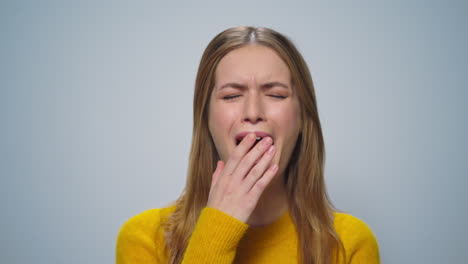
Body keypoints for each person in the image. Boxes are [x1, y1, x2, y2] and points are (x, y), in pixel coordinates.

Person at [116, 26, 380, 264]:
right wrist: (218, 228)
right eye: (231, 95)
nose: (253, 111)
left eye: (276, 94)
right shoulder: (145, 239)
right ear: (205, 118)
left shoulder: (349, 243)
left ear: (303, 118)